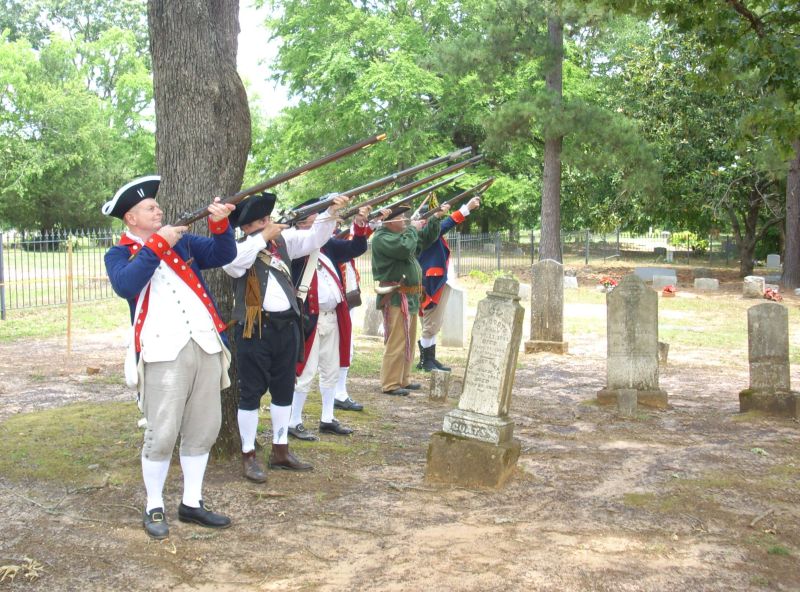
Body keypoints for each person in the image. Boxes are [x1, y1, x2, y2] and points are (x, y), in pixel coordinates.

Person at [103, 175, 236, 540]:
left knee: (204, 428)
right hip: (162, 350)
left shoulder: (182, 242)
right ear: (131, 218)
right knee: (161, 434)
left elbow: (224, 255)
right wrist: (159, 244)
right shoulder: (118, 254)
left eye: (156, 206)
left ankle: (192, 502)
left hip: (205, 343)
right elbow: (127, 285)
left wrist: (220, 223)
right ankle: (154, 505)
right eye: (149, 207)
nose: (158, 209)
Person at [222, 192, 348, 482]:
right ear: (246, 227)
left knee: (283, 390)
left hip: (286, 327)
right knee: (250, 394)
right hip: (254, 329)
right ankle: (248, 454)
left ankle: (281, 449)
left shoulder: (282, 241)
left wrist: (329, 211)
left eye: (267, 219)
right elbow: (233, 265)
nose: (269, 223)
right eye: (260, 221)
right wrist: (262, 236)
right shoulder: (239, 248)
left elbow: (314, 239)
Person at [287, 204, 372, 440]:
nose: (321, 223)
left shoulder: (328, 244)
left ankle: (327, 418)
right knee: (306, 371)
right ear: (303, 221)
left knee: (331, 369)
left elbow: (355, 248)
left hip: (333, 315)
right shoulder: (293, 243)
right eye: (316, 218)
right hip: (309, 317)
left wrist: (361, 224)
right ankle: (294, 421)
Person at [370, 204, 447, 396]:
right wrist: (413, 228)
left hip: (409, 296)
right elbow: (405, 248)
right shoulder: (382, 238)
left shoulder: (402, 235)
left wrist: (435, 218)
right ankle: (390, 383)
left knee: (408, 342)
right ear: (389, 221)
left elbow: (427, 239)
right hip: (396, 296)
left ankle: (402, 379)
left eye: (405, 216)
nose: (404, 220)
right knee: (397, 342)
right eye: (401, 217)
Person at [416, 196, 481, 371]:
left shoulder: (428, 231)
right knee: (431, 322)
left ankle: (430, 358)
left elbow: (443, 225)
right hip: (431, 282)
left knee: (433, 322)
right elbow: (447, 224)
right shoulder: (423, 234)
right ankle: (425, 361)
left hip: (436, 280)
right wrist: (466, 208)